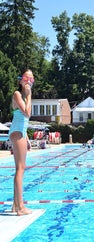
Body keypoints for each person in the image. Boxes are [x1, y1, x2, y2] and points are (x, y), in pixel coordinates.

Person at [8, 69, 34, 216]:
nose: (29, 81)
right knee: (20, 169)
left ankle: (15, 204)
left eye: (31, 79)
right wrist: (29, 96)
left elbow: (24, 120)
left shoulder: (24, 96)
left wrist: (27, 138)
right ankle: (20, 208)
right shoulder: (18, 94)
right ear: (20, 81)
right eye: (26, 78)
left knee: (20, 168)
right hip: (17, 132)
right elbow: (27, 113)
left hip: (21, 133)